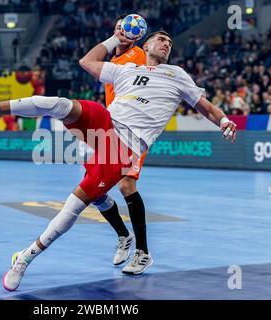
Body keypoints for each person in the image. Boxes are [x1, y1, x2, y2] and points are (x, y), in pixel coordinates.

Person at [0, 30, 237, 291]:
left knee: (77, 203)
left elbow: (206, 107)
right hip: (104, 123)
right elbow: (87, 61)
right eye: (161, 40)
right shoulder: (128, 70)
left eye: (170, 43)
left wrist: (224, 120)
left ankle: (25, 257)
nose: (166, 44)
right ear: (146, 46)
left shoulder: (177, 74)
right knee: (58, 104)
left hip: (125, 147)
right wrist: (113, 38)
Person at [97, 16, 151, 273]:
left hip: (134, 129)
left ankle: (143, 253)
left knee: (127, 184)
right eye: (119, 27)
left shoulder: (138, 55)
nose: (123, 31)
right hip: (110, 128)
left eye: (127, 28)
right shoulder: (112, 62)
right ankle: (123, 234)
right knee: (96, 190)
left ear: (136, 34)